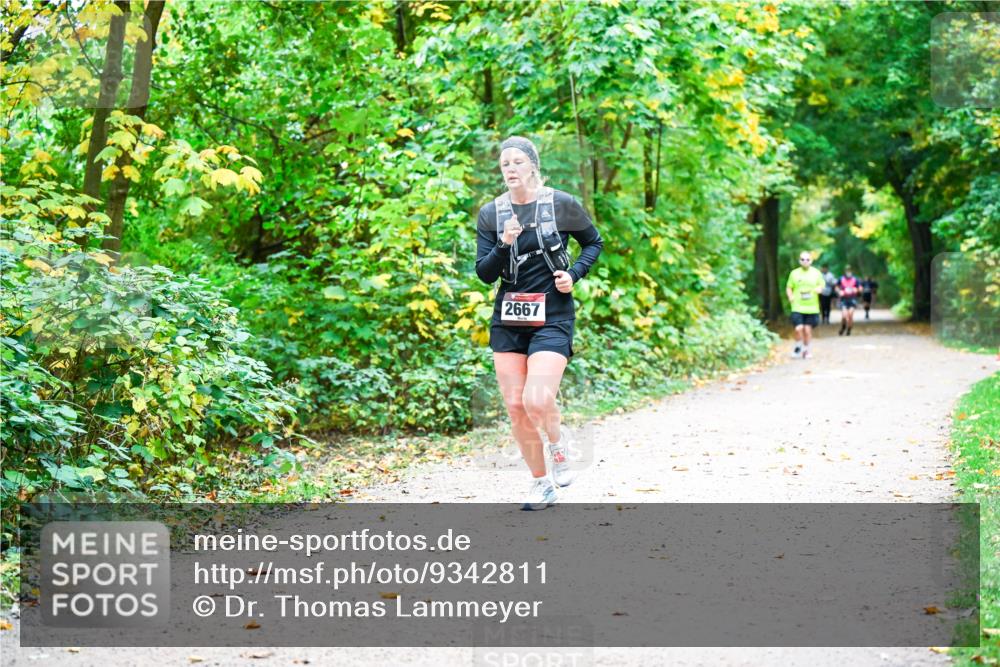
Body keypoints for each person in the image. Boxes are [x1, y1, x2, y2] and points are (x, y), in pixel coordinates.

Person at [475, 136, 603, 510]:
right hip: (508, 319)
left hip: (553, 315)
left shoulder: (561, 204)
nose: (510, 169)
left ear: (532, 165)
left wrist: (573, 274)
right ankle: (541, 483)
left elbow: (593, 243)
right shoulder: (491, 214)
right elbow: (484, 274)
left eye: (517, 162)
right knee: (516, 405)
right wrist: (503, 243)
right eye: (505, 164)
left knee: (537, 399)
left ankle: (558, 444)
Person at [785, 251, 825, 359]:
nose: (805, 261)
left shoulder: (816, 273)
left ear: (811, 261)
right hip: (797, 306)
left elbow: (822, 285)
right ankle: (798, 345)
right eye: (802, 259)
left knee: (807, 330)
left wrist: (819, 289)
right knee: (798, 328)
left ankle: (806, 350)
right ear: (799, 261)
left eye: (807, 259)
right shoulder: (794, 273)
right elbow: (789, 287)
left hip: (812, 307)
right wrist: (790, 296)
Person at [837, 265, 862, 335]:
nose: (848, 272)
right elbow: (836, 286)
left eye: (850, 270)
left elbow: (860, 288)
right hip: (844, 299)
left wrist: (857, 290)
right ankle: (843, 327)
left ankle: (849, 329)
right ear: (845, 271)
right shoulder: (841, 278)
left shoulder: (855, 279)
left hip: (852, 299)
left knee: (850, 315)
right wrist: (839, 291)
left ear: (852, 271)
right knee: (844, 316)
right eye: (847, 270)